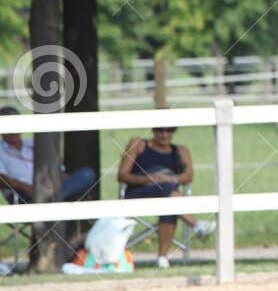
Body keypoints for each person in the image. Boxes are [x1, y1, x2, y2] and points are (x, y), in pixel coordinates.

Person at [116, 125, 214, 268]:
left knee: (169, 198)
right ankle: (196, 225)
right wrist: (149, 179)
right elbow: (122, 175)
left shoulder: (180, 151)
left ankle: (162, 258)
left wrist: (169, 179)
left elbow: (189, 176)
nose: (164, 134)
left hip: (167, 197)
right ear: (153, 130)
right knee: (169, 192)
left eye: (169, 130)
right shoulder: (138, 144)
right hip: (138, 193)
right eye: (160, 130)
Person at [0, 106, 97, 203]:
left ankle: (53, 200)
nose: (12, 131)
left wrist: (68, 183)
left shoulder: (34, 143)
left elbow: (58, 171)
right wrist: (26, 187)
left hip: (51, 187)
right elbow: (2, 178)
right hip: (23, 193)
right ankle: (54, 200)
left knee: (87, 174)